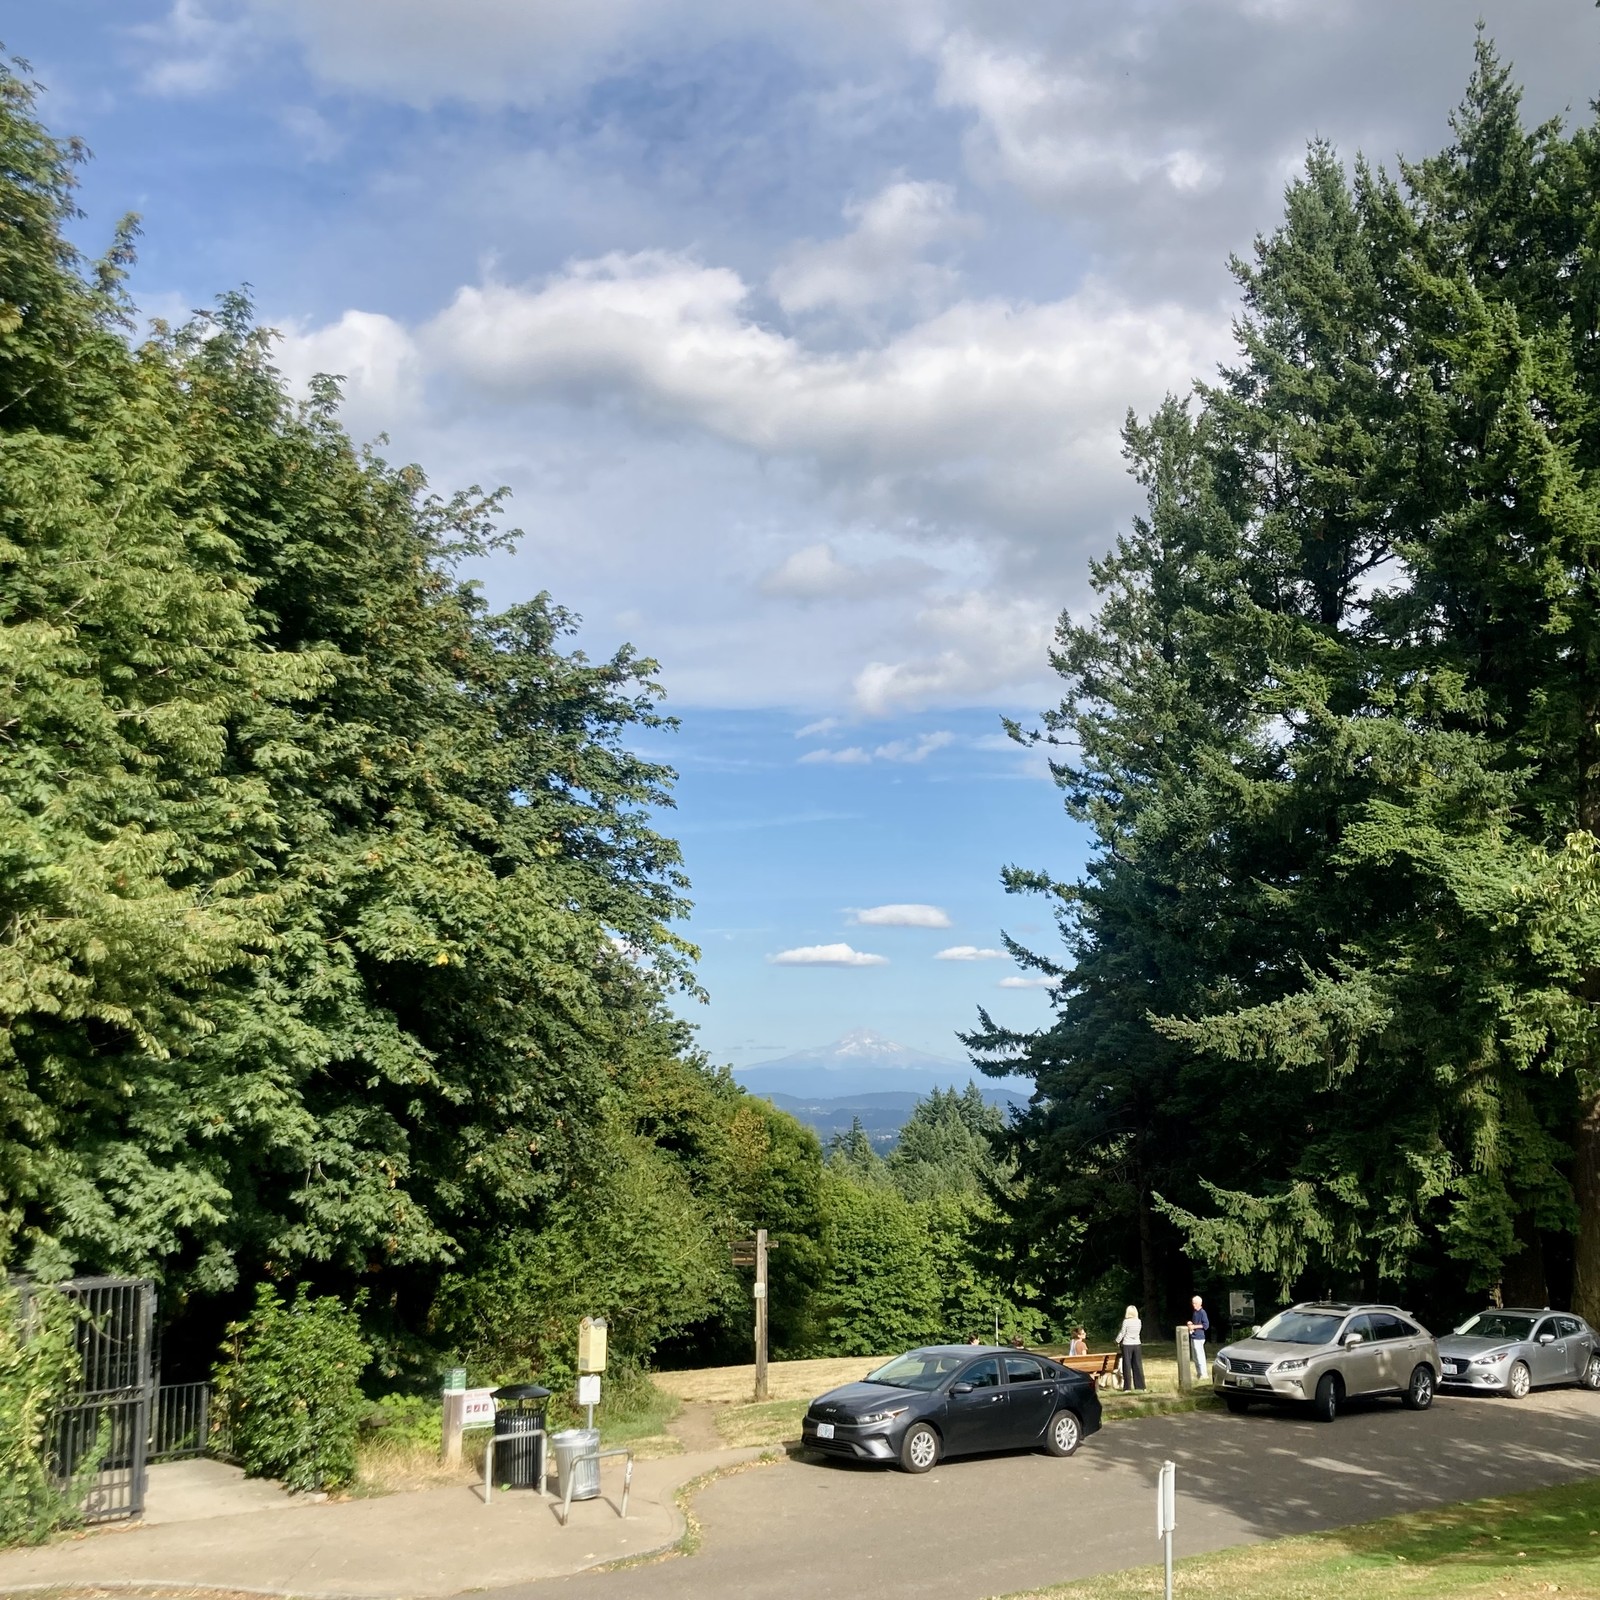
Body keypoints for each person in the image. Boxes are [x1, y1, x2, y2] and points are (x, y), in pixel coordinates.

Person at [1115, 1304, 1144, 1392]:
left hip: (1127, 1344)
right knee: (1138, 1365)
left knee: (1127, 1365)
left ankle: (1127, 1387)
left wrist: (1117, 1340)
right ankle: (1140, 1386)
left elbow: (1122, 1332)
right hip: (1137, 1344)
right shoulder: (1138, 1321)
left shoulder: (1126, 1321)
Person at [1185, 1295, 1211, 1379]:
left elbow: (1206, 1325)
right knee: (1195, 1357)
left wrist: (1194, 1327)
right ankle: (1199, 1373)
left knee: (1200, 1356)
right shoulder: (1195, 1312)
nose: (1193, 1305)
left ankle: (1204, 1374)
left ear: (1200, 1303)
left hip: (1199, 1337)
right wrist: (1190, 1323)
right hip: (1193, 1336)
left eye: (1195, 1303)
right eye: (1193, 1303)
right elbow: (1196, 1323)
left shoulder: (1202, 1312)